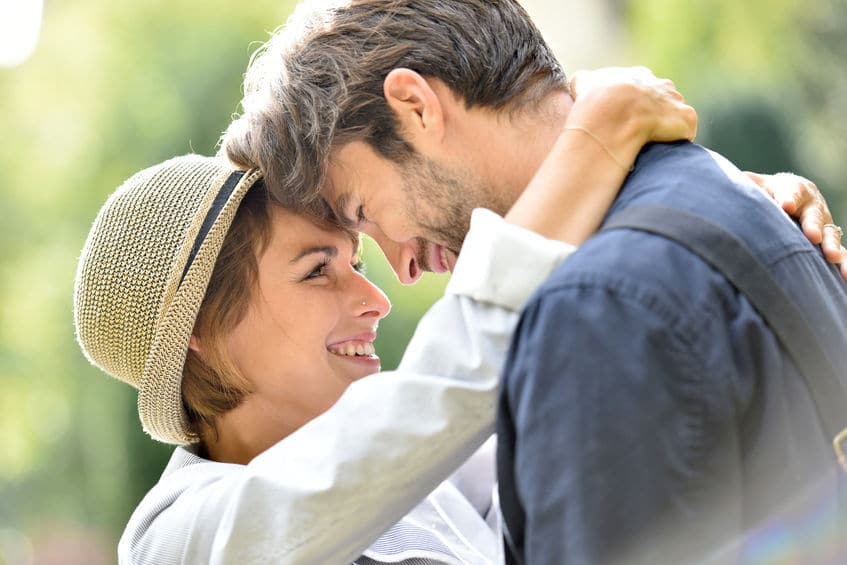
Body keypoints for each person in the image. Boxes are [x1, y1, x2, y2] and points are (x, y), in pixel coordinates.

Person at [219, 0, 847, 562]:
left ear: (415, 107)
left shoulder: (594, 312)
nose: (401, 267)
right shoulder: (729, 195)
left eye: (362, 212)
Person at [74, 72, 704, 564]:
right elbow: (445, 394)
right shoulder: (177, 540)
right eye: (317, 270)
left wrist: (721, 219)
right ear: (200, 334)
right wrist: (591, 138)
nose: (375, 299)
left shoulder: (438, 476)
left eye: (356, 261)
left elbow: (594, 417)